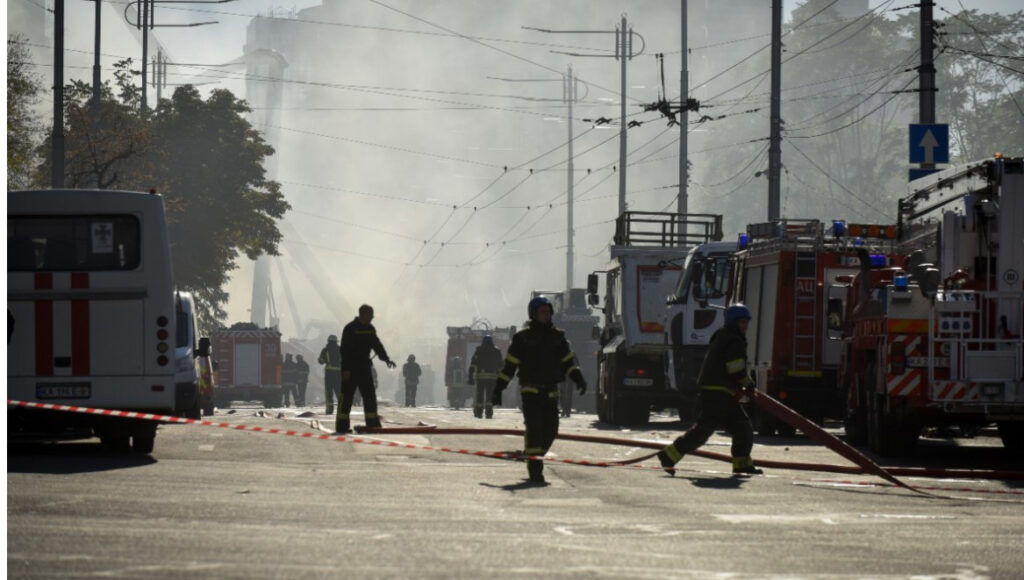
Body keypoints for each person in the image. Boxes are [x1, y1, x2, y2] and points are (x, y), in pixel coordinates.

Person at [656, 304, 763, 476]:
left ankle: (742, 465)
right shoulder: (733, 340)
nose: (745, 326)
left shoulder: (723, 336)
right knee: (706, 430)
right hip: (718, 394)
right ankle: (669, 455)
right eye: (742, 322)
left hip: (719, 393)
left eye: (746, 323)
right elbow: (735, 368)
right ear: (733, 322)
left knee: (740, 428)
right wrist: (749, 384)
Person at [492, 296, 586, 483]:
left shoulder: (558, 338)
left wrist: (578, 378)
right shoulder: (522, 338)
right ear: (533, 314)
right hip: (530, 391)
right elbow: (510, 366)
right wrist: (498, 389)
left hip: (551, 391)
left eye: (548, 312)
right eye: (543, 312)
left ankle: (533, 455)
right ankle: (535, 470)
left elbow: (568, 362)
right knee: (534, 428)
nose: (547, 315)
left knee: (551, 430)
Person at [337, 304, 396, 433]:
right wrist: (345, 370)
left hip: (364, 368)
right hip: (351, 369)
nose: (372, 318)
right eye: (370, 316)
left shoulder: (370, 328)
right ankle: (341, 426)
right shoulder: (350, 328)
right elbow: (344, 351)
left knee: (370, 397)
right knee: (346, 398)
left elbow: (377, 345)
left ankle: (372, 424)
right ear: (363, 314)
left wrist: (386, 358)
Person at [467, 335, 502, 419]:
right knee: (490, 396)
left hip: (480, 378)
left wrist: (470, 377)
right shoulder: (497, 351)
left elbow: (472, 365)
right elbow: (501, 365)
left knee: (479, 395)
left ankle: (479, 413)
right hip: (492, 378)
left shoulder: (478, 351)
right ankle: (489, 413)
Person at [318, 335, 342, 415]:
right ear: (336, 341)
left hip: (329, 374)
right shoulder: (340, 350)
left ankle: (329, 409)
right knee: (339, 391)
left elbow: (321, 361)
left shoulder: (325, 350)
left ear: (328, 341)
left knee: (329, 392)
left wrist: (321, 359)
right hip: (338, 373)